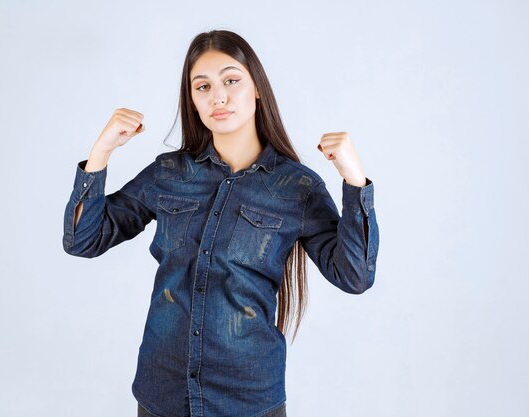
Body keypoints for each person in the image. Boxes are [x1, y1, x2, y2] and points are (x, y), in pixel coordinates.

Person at [62, 29, 379, 417]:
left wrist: (354, 181)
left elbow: (354, 276)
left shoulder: (297, 187)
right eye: (203, 86)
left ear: (257, 88)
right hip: (163, 393)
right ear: (192, 99)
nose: (219, 97)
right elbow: (83, 240)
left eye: (231, 80)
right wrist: (101, 152)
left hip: (249, 399)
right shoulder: (168, 174)